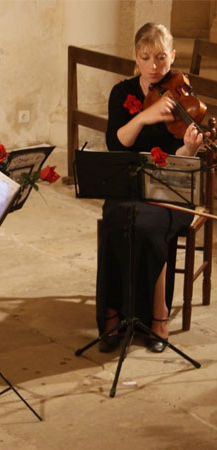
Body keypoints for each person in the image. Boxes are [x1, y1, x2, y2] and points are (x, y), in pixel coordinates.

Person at [96, 23, 205, 353]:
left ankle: (159, 319)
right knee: (115, 219)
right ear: (136, 57)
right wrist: (146, 116)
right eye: (146, 58)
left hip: (169, 190)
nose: (155, 67)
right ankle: (111, 316)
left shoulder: (184, 99)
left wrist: (188, 149)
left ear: (172, 56)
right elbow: (116, 145)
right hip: (128, 188)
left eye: (161, 58)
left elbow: (181, 160)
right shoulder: (122, 93)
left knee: (147, 226)